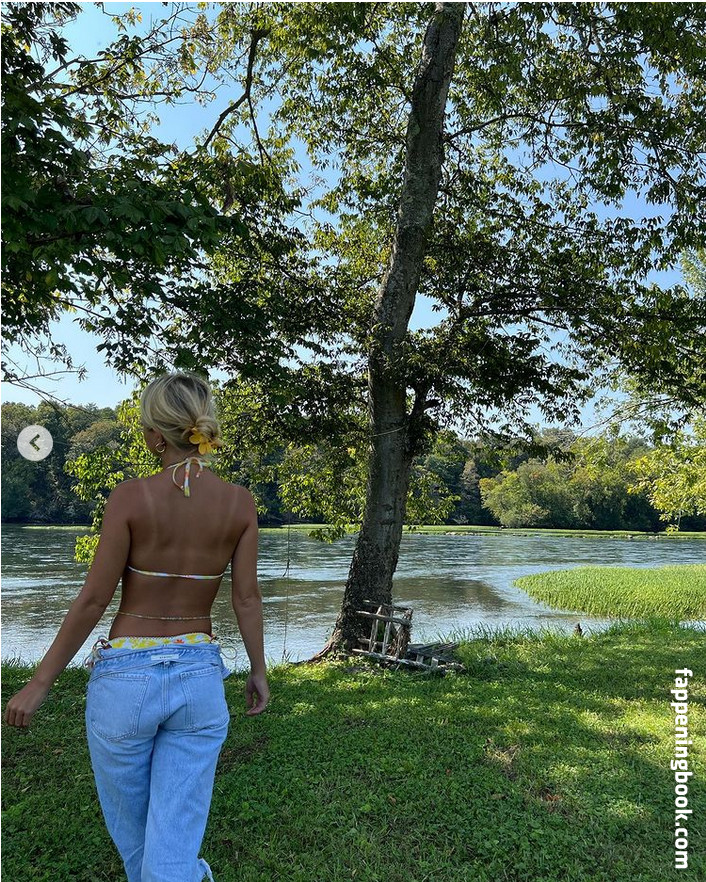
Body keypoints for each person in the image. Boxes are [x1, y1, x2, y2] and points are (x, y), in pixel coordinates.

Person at [3, 370, 270, 882]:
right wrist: (258, 670)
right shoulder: (239, 502)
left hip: (126, 679)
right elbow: (247, 598)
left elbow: (94, 599)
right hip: (199, 678)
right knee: (170, 845)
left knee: (139, 845)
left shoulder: (129, 498)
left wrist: (40, 683)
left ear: (155, 436)